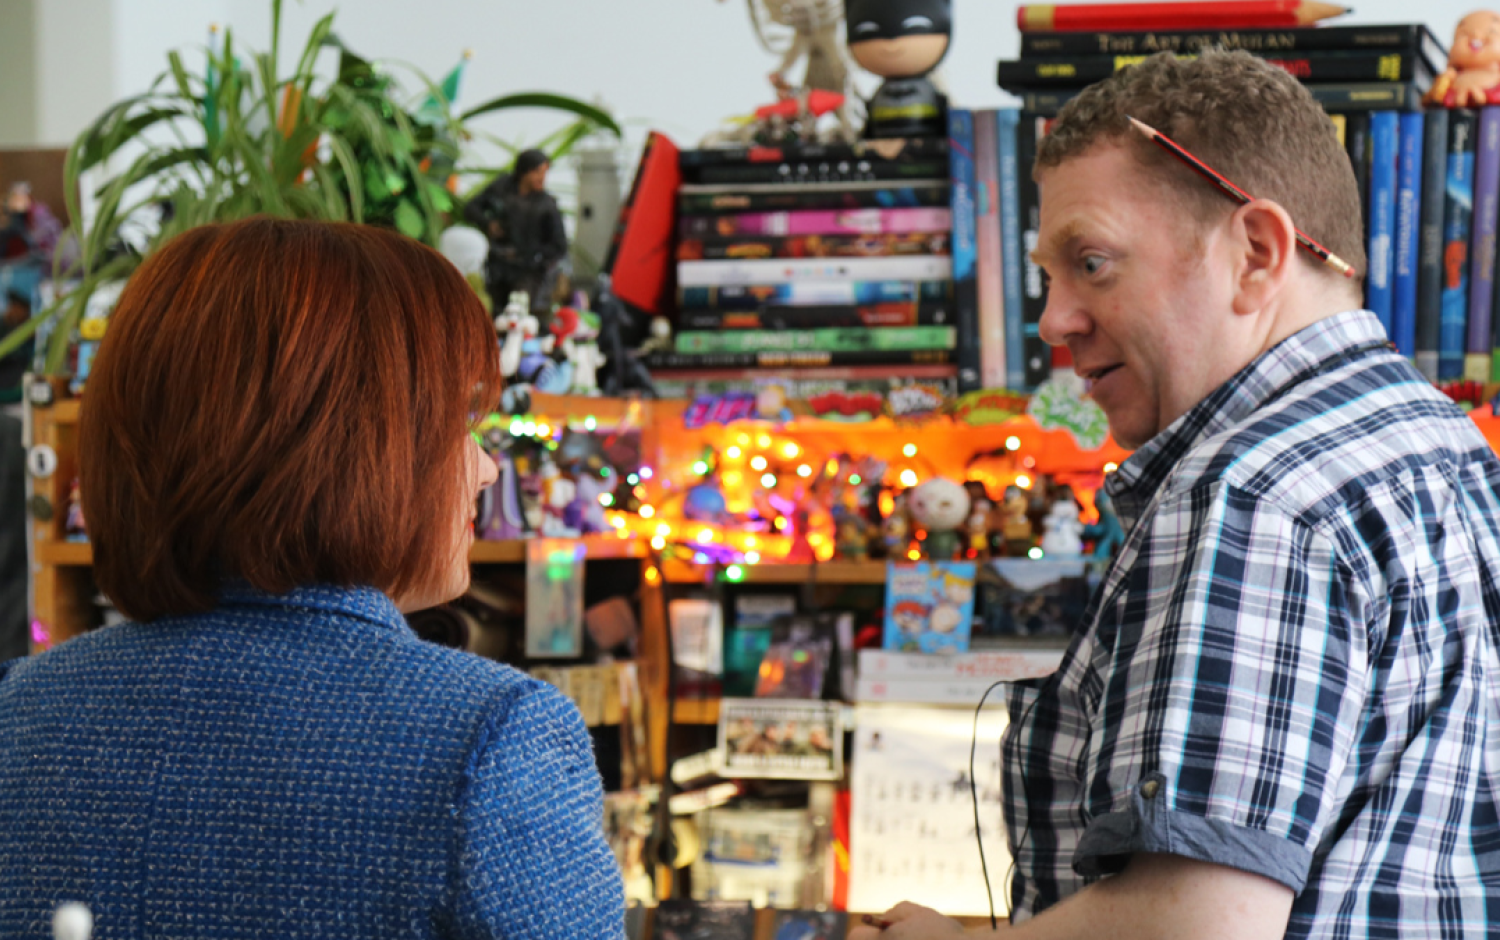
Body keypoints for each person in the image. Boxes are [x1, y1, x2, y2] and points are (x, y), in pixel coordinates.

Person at [853, 51, 1500, 939]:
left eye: (1092, 262)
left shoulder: (1257, 496)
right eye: (1048, 275)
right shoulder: (1445, 445)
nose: (1053, 319)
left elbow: (1199, 927)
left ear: (1256, 255)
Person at [0, 218, 625, 938]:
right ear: (352, 446)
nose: (486, 467)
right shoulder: (488, 742)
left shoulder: (19, 713)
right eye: (457, 420)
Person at [462, 148, 569, 317]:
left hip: (528, 269)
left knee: (517, 311)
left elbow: (559, 245)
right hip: (497, 264)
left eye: (544, 173)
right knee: (489, 310)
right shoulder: (502, 188)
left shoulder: (546, 204)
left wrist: (533, 255)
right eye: (537, 172)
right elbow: (471, 208)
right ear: (525, 171)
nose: (542, 178)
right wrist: (488, 223)